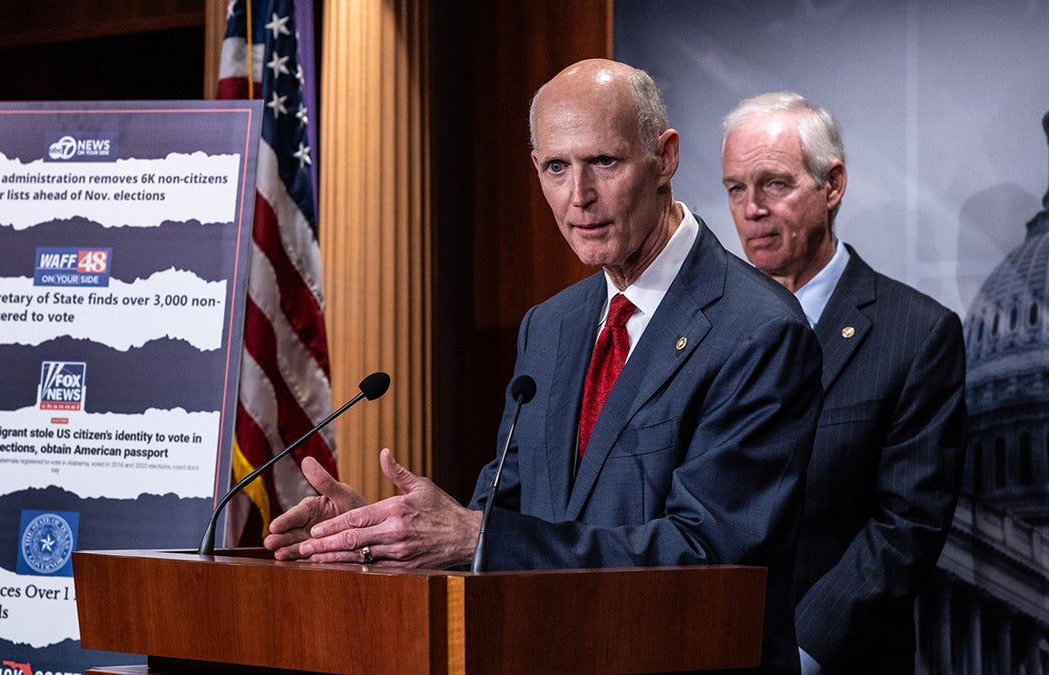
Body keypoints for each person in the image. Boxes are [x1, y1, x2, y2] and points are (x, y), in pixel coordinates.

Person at [265, 59, 823, 674]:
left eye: (604, 163)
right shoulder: (550, 327)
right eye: (557, 167)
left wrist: (476, 537)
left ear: (664, 158)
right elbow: (501, 515)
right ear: (537, 169)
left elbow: (710, 553)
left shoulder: (759, 330)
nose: (578, 197)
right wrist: (383, 534)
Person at [720, 92, 967, 675]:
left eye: (774, 184)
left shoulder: (919, 333)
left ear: (832, 186)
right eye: (735, 187)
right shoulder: (704, 329)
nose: (751, 209)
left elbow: (906, 526)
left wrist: (796, 653)